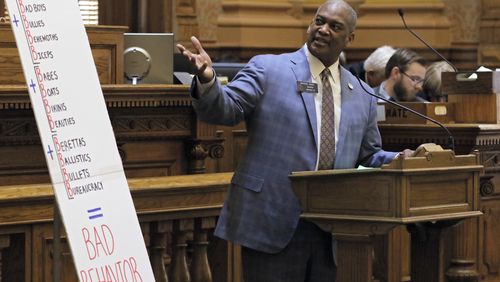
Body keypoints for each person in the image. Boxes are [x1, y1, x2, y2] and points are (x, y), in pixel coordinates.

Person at [177, 1, 407, 281]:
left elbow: (368, 155)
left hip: (332, 226)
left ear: (350, 38)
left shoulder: (360, 92)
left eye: (335, 26)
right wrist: (207, 78)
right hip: (273, 218)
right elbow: (225, 109)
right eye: (319, 21)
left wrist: (402, 159)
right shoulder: (269, 68)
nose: (323, 30)